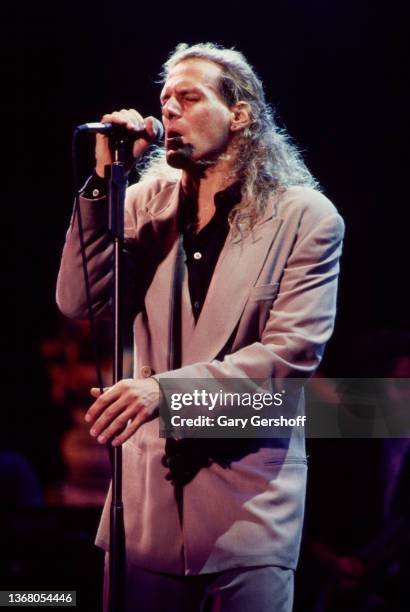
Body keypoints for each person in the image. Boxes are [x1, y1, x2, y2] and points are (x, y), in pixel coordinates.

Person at [57, 43, 345, 612]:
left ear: (239, 114)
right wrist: (101, 187)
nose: (169, 111)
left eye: (189, 97)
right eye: (164, 101)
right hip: (145, 505)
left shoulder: (304, 217)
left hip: (247, 504)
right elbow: (79, 301)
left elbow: (291, 356)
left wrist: (161, 393)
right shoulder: (140, 203)